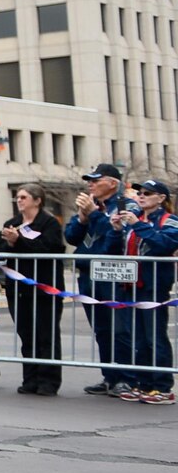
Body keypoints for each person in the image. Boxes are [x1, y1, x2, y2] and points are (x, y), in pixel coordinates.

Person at [0, 184, 66, 396]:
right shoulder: (12, 224)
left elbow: (50, 248)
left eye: (24, 197)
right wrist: (12, 244)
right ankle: (30, 379)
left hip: (44, 289)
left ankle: (48, 382)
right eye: (17, 197)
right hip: (18, 289)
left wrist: (19, 242)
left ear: (37, 200)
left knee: (46, 334)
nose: (19, 200)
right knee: (26, 334)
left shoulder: (49, 223)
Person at [66, 163, 132, 397]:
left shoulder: (124, 203)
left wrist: (93, 214)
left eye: (96, 180)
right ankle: (109, 376)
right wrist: (82, 217)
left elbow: (117, 232)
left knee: (120, 329)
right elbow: (71, 237)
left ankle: (126, 378)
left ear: (112, 183)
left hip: (112, 274)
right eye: (89, 180)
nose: (90, 184)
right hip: (88, 274)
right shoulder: (89, 205)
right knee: (102, 329)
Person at [114, 181, 177, 404]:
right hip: (130, 286)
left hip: (153, 286)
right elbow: (119, 248)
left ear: (160, 198)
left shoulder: (169, 220)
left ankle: (162, 387)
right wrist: (117, 229)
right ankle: (143, 384)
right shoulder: (134, 219)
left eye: (147, 193)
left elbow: (164, 244)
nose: (141, 196)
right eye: (139, 193)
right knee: (138, 338)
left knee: (155, 337)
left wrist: (138, 226)